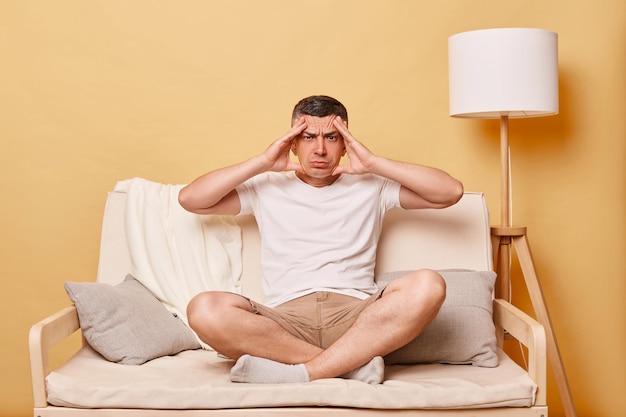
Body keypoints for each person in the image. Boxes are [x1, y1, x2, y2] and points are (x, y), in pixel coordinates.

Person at [178, 95, 464, 384]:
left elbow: (450, 192)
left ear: (345, 146)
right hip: (285, 324)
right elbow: (191, 200)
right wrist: (262, 162)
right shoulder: (265, 186)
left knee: (429, 284)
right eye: (308, 136)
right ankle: (349, 366)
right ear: (292, 144)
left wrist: (374, 163)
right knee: (204, 309)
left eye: (332, 137)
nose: (320, 148)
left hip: (357, 318)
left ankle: (307, 372)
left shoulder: (373, 185)